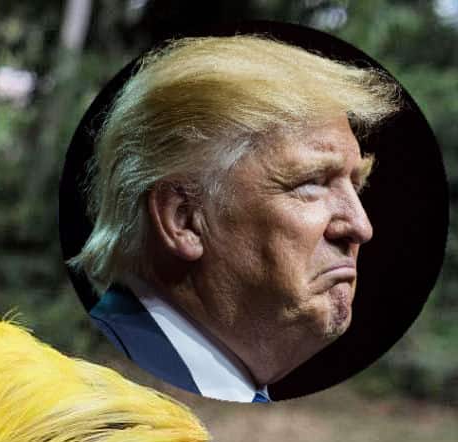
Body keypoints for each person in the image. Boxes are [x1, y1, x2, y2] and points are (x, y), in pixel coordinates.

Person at [69, 35, 402, 402]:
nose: (360, 227)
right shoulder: (99, 400)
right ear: (184, 220)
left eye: (355, 184)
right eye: (312, 184)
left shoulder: (211, 378)